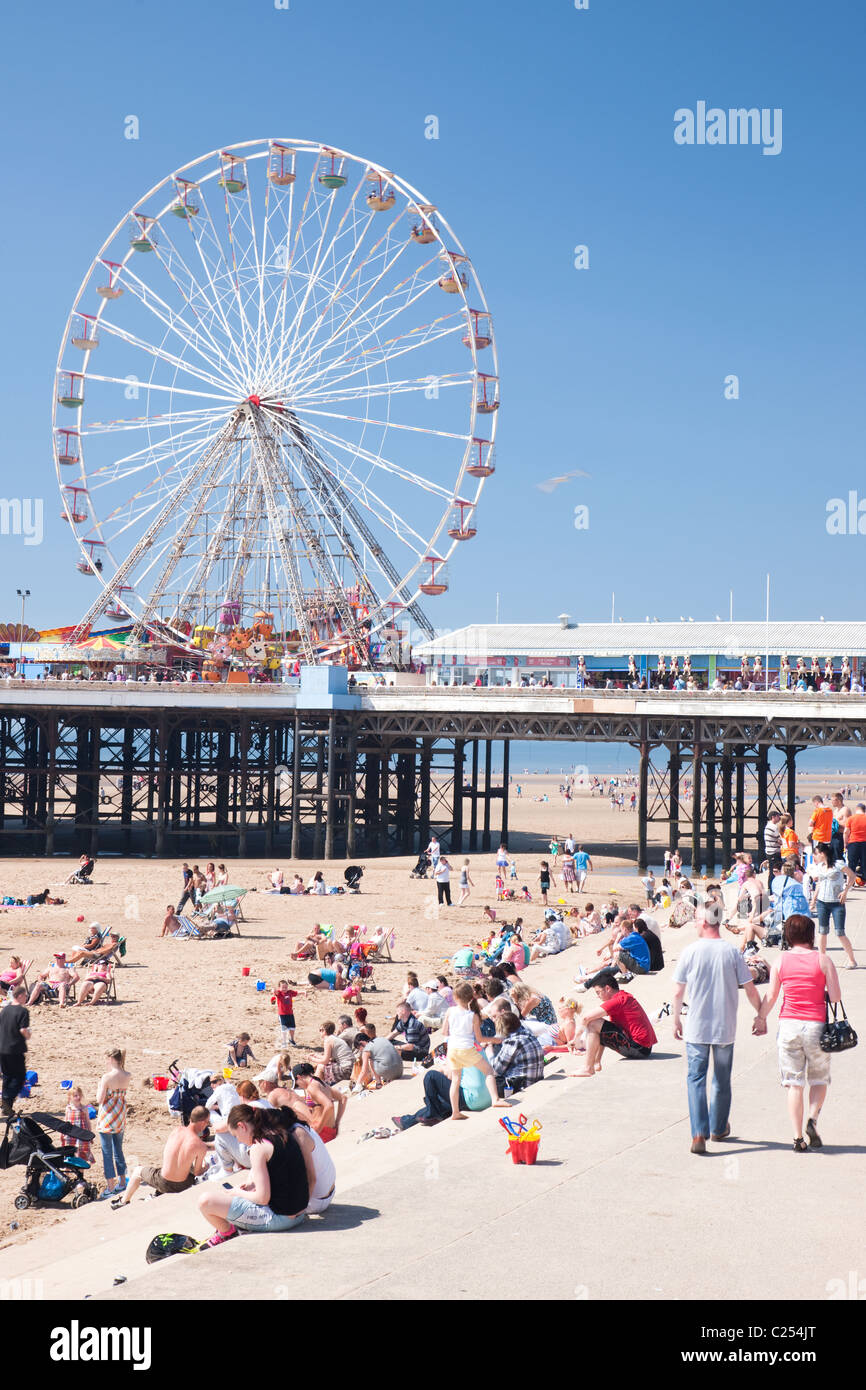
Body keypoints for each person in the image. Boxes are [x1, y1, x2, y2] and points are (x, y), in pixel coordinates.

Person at [671, 907, 766, 1154]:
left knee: (696, 1078)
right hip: (724, 1027)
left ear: (704, 922)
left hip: (697, 1027)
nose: (693, 922)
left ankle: (698, 1134)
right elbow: (750, 988)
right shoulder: (732, 951)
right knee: (721, 1079)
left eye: (695, 919)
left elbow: (678, 991)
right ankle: (718, 1127)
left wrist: (675, 1019)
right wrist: (760, 1015)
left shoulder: (690, 951)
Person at [755, 913, 842, 1151]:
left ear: (789, 936)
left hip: (789, 1025)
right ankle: (812, 1120)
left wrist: (761, 1018)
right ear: (811, 935)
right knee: (819, 1078)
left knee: (794, 1084)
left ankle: (797, 1138)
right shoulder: (823, 960)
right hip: (816, 1026)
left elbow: (772, 996)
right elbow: (835, 997)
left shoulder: (781, 961)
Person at [197, 1104, 312, 1245]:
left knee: (206, 1201)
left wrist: (237, 1193)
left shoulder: (258, 1147)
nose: (238, 1140)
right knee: (240, 1194)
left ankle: (227, 1232)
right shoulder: (281, 1133)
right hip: (300, 1212)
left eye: (235, 1135)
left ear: (242, 1126)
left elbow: (262, 1198)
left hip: (281, 1219)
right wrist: (251, 1186)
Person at [112, 1106, 212, 1208]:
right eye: (208, 1123)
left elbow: (171, 1153)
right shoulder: (200, 1146)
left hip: (163, 1182)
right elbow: (197, 1172)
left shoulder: (176, 1131)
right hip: (183, 1185)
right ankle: (157, 1194)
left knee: (137, 1171)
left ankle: (123, 1202)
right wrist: (206, 1167)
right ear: (203, 1123)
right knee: (191, 1165)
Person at [569, 971, 657, 1076]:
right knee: (600, 1026)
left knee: (592, 1022)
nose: (598, 996)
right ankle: (595, 1063)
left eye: (598, 992)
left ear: (607, 988)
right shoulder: (623, 996)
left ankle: (588, 1068)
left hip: (639, 1048)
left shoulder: (618, 1000)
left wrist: (575, 1039)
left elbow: (585, 1018)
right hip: (644, 1047)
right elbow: (603, 1033)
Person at [441, 982, 508, 1119]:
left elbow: (444, 1032)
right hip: (466, 1048)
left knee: (456, 1080)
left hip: (452, 1049)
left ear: (455, 997)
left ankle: (455, 1112)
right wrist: (495, 1040)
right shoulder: (473, 1016)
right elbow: (480, 1038)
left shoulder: (450, 1011)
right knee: (488, 1071)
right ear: (471, 998)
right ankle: (495, 1099)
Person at [805, 845, 857, 968]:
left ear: (822, 853)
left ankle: (851, 959)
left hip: (836, 902)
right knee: (822, 931)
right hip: (822, 902)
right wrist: (813, 900)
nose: (815, 857)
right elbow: (819, 884)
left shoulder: (838, 864)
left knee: (840, 932)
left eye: (816, 854)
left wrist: (845, 891)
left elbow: (852, 876)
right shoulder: (820, 867)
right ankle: (821, 959)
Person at [96, 1048, 131, 1197]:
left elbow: (99, 1099)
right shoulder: (127, 1075)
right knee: (118, 1150)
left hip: (107, 1117)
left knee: (107, 1153)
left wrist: (99, 1087)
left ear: (110, 1059)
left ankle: (110, 1187)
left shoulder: (107, 1077)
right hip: (120, 1115)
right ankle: (122, 1182)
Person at [489, 1008, 545, 1095]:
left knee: (489, 1079)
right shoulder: (528, 1034)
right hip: (536, 1079)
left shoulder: (513, 1042)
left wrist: (490, 1053)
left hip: (521, 1085)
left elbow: (495, 1069)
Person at [291, 1062, 346, 1140]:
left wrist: (319, 1127)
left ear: (299, 1077)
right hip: (331, 1129)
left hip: (322, 1132)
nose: (299, 1086)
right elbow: (343, 1098)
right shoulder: (320, 1082)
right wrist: (337, 1122)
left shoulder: (311, 1087)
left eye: (297, 1084)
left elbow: (329, 1105)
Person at [0, 986, 31, 1115]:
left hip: (2, 1048)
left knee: (7, 1076)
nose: (26, 998)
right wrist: (28, 1035)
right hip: (14, 1049)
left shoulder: (5, 1010)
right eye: (25, 996)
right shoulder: (22, 1011)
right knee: (19, 1077)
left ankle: (6, 1106)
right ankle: (7, 1100)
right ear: (19, 996)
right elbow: (23, 1030)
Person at [64, 1085, 93, 1162]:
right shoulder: (68, 1108)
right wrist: (63, 1133)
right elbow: (66, 1121)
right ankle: (68, 1170)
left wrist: (90, 1134)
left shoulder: (84, 1108)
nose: (78, 1097)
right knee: (69, 1153)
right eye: (75, 1096)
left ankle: (81, 1171)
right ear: (70, 1098)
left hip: (82, 1134)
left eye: (79, 1095)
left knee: (82, 1153)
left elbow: (88, 1122)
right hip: (71, 1134)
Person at [843, 802, 866, 882]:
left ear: (856, 809)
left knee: (852, 864)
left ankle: (850, 883)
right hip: (864, 843)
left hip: (853, 842)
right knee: (864, 863)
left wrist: (845, 843)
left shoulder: (851, 818)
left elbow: (846, 832)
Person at [272, 980, 299, 1044]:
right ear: (279, 988)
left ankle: (292, 1039)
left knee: (292, 1028)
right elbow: (274, 991)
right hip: (282, 1014)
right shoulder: (279, 993)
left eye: (286, 987)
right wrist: (273, 991)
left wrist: (304, 992)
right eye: (282, 987)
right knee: (284, 1028)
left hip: (290, 1013)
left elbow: (297, 993)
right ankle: (284, 1041)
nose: (284, 989)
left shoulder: (290, 992)